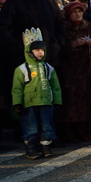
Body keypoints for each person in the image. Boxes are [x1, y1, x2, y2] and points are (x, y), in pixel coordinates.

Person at [12, 29, 62, 159]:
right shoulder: (21, 69)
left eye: (42, 50)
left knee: (47, 125)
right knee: (30, 126)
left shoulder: (48, 68)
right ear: (29, 51)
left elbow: (55, 87)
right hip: (29, 103)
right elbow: (17, 88)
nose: (40, 52)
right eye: (36, 50)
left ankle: (46, 145)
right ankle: (31, 147)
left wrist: (57, 101)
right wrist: (17, 103)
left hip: (46, 102)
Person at [59, 2, 91, 142]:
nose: (78, 14)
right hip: (69, 70)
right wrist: (74, 45)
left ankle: (82, 130)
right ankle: (68, 131)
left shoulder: (88, 26)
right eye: (74, 12)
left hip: (86, 69)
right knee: (70, 101)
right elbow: (58, 49)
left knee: (85, 100)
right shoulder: (63, 27)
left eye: (80, 12)